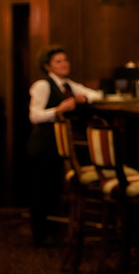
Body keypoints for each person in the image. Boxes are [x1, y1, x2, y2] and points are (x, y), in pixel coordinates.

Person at [28, 45, 103, 247]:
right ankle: (39, 235)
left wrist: (84, 98)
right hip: (43, 143)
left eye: (66, 60)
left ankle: (52, 232)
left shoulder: (68, 85)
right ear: (47, 66)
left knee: (53, 189)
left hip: (59, 145)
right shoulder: (42, 85)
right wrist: (59, 110)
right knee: (41, 190)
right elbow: (34, 116)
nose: (64, 64)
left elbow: (97, 95)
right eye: (58, 61)